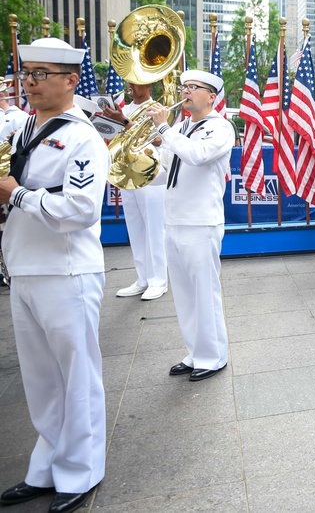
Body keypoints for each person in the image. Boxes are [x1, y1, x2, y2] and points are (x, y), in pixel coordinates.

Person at [0, 37, 110, 513]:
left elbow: (81, 209)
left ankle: (81, 472)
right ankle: (46, 467)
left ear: (70, 80)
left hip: (67, 272)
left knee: (76, 376)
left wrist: (16, 194)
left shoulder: (83, 137)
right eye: (27, 74)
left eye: (41, 74)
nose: (30, 82)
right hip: (24, 268)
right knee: (41, 381)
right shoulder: (24, 128)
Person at [147, 69, 235, 382]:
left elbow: (197, 156)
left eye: (193, 87)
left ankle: (213, 357)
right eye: (184, 87)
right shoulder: (182, 126)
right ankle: (195, 352)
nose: (185, 92)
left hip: (201, 222)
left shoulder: (220, 127)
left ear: (211, 96)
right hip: (174, 220)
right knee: (184, 294)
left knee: (204, 292)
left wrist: (164, 131)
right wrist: (139, 164)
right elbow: (166, 171)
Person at [102, 82, 170, 301]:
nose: (130, 85)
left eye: (136, 81)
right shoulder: (126, 108)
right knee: (135, 227)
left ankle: (159, 280)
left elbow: (159, 139)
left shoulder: (157, 108)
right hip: (126, 172)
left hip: (151, 174)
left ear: (148, 83)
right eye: (129, 81)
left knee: (154, 228)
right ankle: (143, 278)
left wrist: (123, 121)